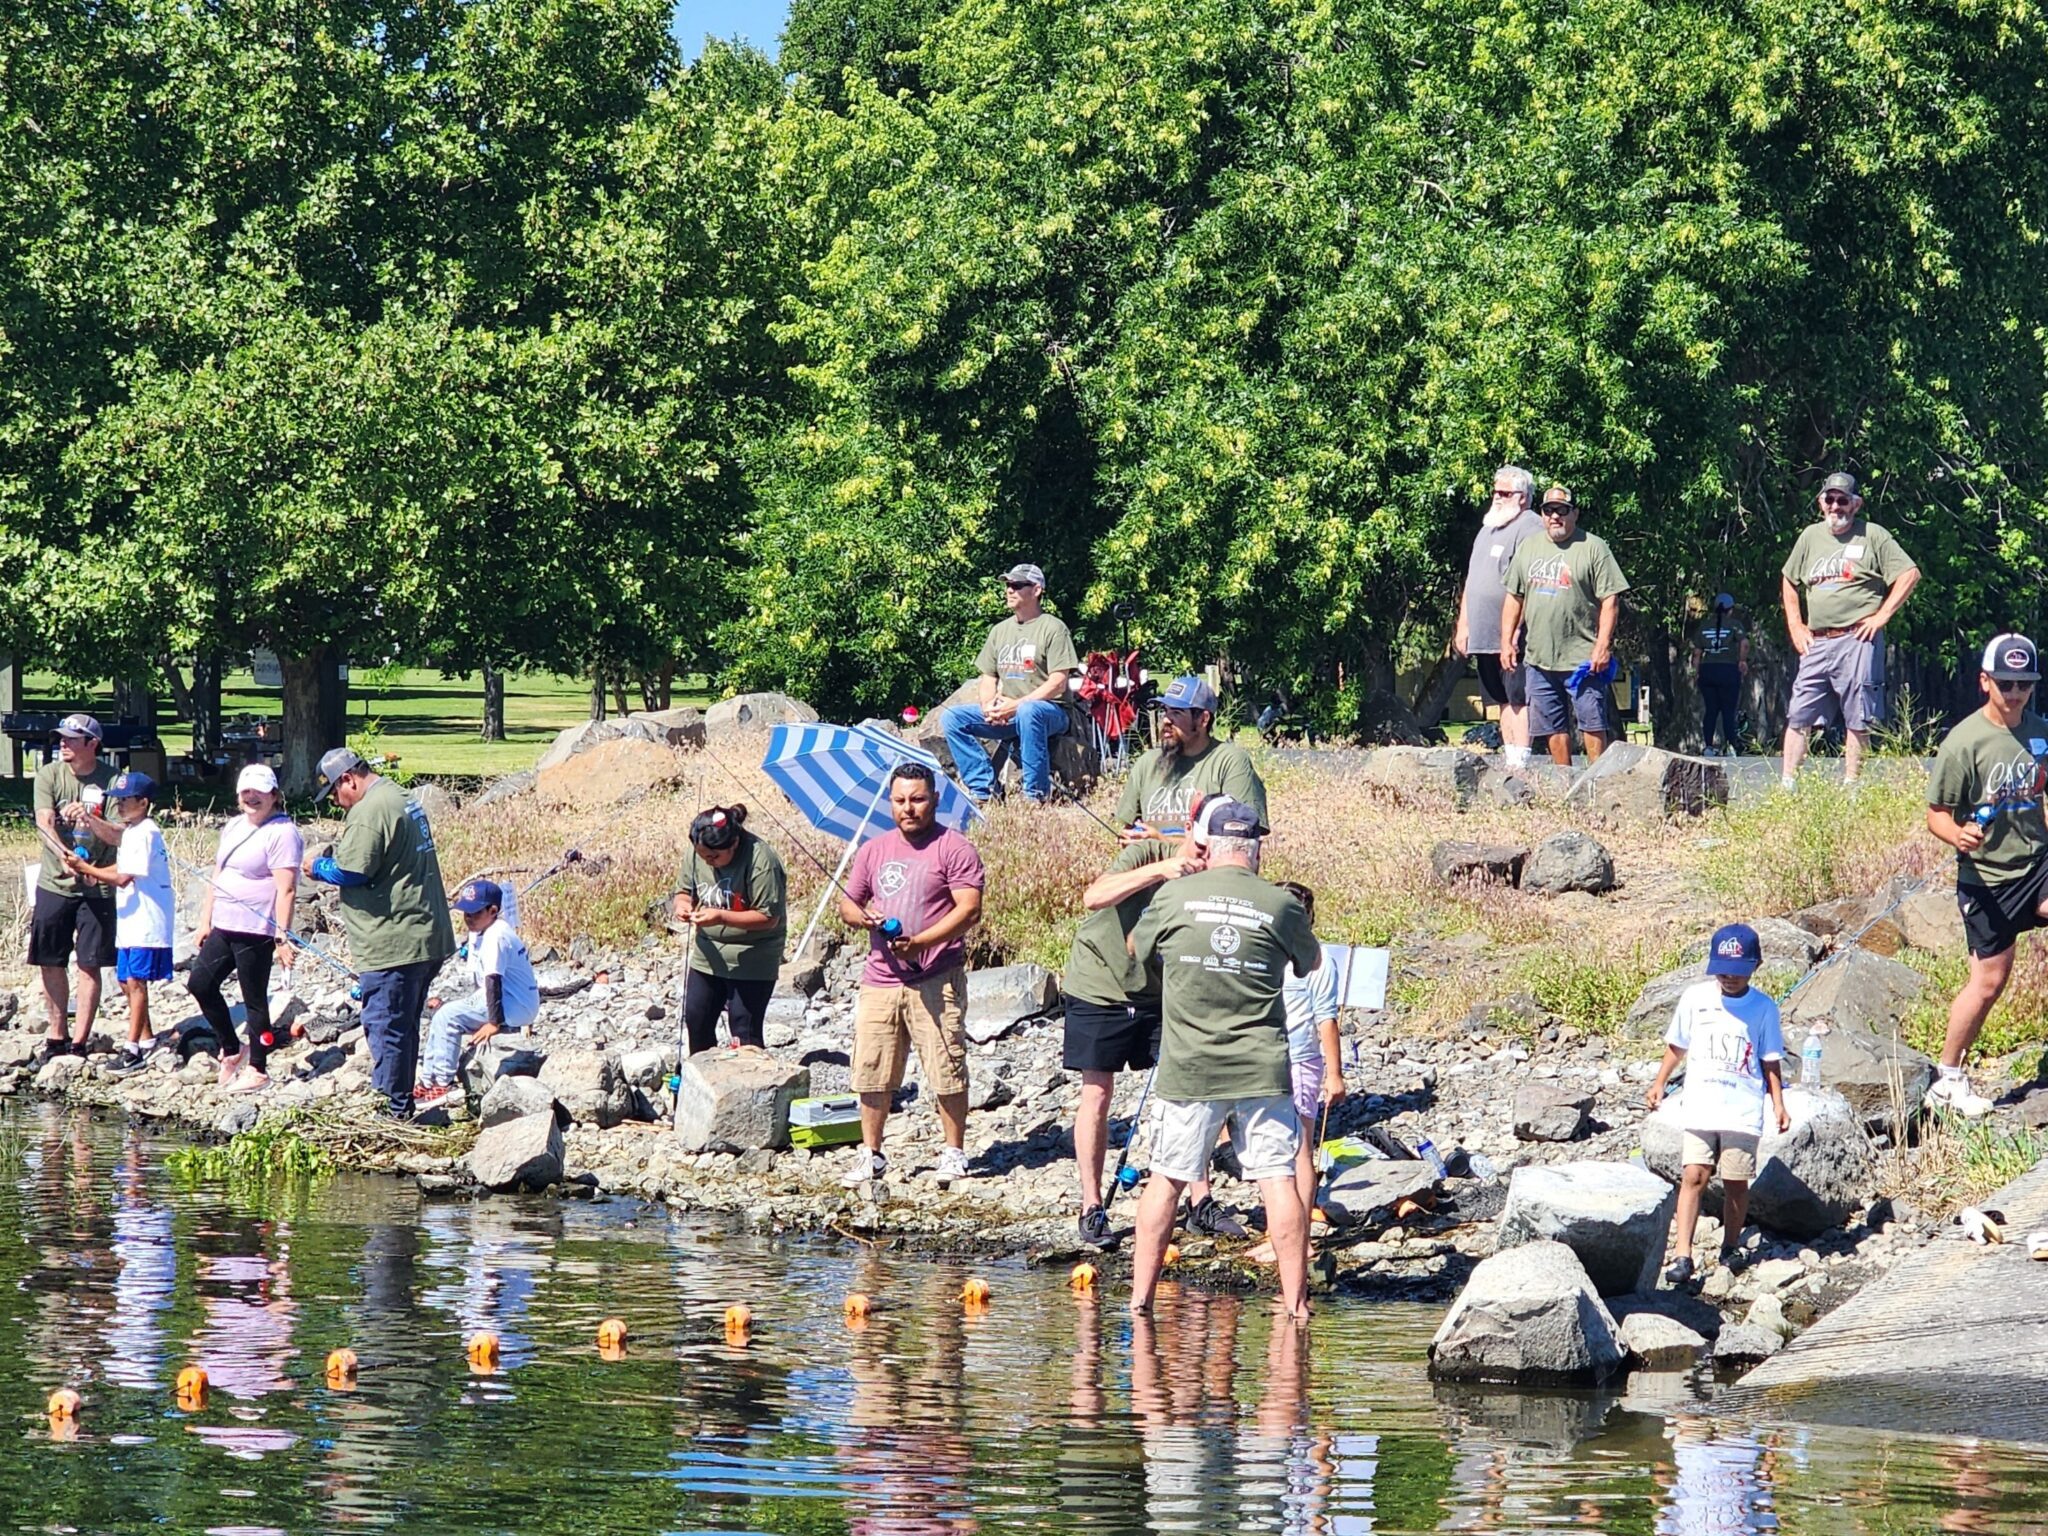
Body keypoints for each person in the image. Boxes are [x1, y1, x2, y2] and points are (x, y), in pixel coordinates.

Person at [1127, 798, 1320, 1320]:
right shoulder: (1282, 905)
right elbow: (1311, 962)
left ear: (1206, 845)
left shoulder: (1172, 895)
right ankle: (1295, 1304)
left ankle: (1140, 1300)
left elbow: (1135, 948)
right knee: (1278, 1180)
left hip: (1190, 1067)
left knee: (1166, 1178)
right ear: (1255, 848)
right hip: (1261, 1065)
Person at [1063, 835, 1232, 1250]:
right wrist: (1160, 871)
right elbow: (1095, 895)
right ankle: (1091, 1205)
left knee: (1189, 1088)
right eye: (1200, 851)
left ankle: (1200, 1199)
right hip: (1098, 984)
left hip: (1161, 992)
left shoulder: (1221, 875)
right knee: (1097, 1092)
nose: (1204, 861)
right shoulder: (1148, 853)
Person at [838, 762, 986, 1187]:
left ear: (935, 800)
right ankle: (872, 1154)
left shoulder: (954, 848)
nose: (909, 808)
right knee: (872, 1068)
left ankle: (954, 1152)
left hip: (936, 976)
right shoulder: (873, 849)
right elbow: (849, 904)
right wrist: (863, 916)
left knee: (947, 1066)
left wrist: (921, 943)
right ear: (890, 802)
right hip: (880, 979)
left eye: (918, 799)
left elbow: (969, 910)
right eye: (901, 800)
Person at [1923, 634, 2048, 1117]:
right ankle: (1947, 1078)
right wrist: (1958, 837)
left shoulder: (2040, 733)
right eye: (2005, 682)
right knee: (1989, 982)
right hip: (1986, 879)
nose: (2015, 692)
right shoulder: (1963, 742)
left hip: (2037, 862)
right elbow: (1936, 814)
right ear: (1985, 682)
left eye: (2024, 683)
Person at [303, 747, 455, 1119]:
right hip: (425, 936)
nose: (337, 804)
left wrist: (317, 866)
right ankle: (399, 1103)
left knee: (386, 1027)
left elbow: (353, 871)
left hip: (395, 942)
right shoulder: (399, 796)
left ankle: (392, 1110)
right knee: (403, 1026)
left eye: (335, 796)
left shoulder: (370, 811)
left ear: (348, 780)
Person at [1644, 923, 1789, 1285]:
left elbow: (1771, 1061)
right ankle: (1682, 1255)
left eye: (1738, 972)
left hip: (1741, 1108)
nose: (1729, 978)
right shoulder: (1695, 999)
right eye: (1722, 971)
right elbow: (1677, 1045)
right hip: (1701, 1103)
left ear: (1755, 967)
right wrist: (1660, 1082)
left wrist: (1779, 1104)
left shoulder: (1764, 1008)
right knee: (1693, 1174)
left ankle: (1730, 1246)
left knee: (1735, 1179)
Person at [1779, 471, 1919, 788]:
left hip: (1858, 638)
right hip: (1816, 641)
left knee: (1858, 715)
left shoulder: (1873, 535)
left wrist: (1881, 616)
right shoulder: (1810, 537)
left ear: (1856, 504)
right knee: (1799, 712)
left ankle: (1852, 785)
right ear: (1821, 503)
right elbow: (1789, 580)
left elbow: (1909, 573)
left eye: (1843, 500)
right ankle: (1788, 784)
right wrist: (1795, 625)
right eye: (1830, 499)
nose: (1836, 506)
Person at [1244, 882, 1345, 1268]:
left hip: (1301, 1061)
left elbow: (1327, 1019)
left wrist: (1333, 1074)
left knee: (1300, 1147)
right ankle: (1281, 1233)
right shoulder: (1265, 952)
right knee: (1271, 1149)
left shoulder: (1317, 960)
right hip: (1264, 1058)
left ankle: (1299, 1239)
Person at [189, 764, 303, 1094]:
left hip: (256, 929)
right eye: (246, 792)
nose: (251, 797)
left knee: (254, 998)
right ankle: (232, 1048)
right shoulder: (234, 826)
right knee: (200, 983)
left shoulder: (283, 833)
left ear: (274, 796)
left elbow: (287, 889)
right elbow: (218, 873)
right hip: (225, 923)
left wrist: (282, 936)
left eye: (259, 792)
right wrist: (205, 920)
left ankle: (259, 1067)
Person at [1500, 486, 1631, 767]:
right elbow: (1514, 597)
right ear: (1542, 514)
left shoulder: (1594, 547)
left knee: (1592, 721)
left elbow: (1610, 600)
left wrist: (1602, 647)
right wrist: (1506, 641)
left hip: (1582, 659)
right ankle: (1566, 781)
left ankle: (1596, 781)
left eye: (1562, 510)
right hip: (1538, 659)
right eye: (1549, 510)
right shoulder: (1529, 547)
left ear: (1575, 513)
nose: (1555, 516)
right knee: (1551, 727)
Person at [61, 771, 172, 1076]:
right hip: (131, 920)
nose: (120, 806)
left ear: (144, 802)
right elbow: (124, 866)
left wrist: (86, 868)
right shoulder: (133, 831)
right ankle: (147, 1039)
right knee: (126, 980)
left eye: (125, 801)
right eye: (117, 801)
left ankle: (132, 1050)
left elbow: (124, 878)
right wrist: (91, 871)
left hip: (147, 920)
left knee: (136, 982)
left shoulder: (147, 831)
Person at [941, 562, 1080, 803]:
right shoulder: (999, 631)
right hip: (1010, 712)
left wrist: (1015, 705)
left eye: (1016, 585)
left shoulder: (1054, 628)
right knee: (952, 718)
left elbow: (1058, 682)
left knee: (1029, 711)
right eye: (1007, 585)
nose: (1009, 590)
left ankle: (1035, 796)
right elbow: (988, 677)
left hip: (1050, 712)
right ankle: (984, 790)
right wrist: (989, 707)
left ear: (1036, 590)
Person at [28, 713, 116, 1064]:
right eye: (61, 738)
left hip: (98, 887)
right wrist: (64, 855)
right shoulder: (49, 774)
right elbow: (43, 821)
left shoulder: (113, 780)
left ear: (92, 744)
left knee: (89, 964)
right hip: (55, 882)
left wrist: (92, 820)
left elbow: (122, 834)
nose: (63, 743)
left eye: (72, 738)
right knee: (49, 959)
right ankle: (56, 1034)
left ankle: (79, 1042)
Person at [672, 804, 788, 1053]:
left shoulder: (761, 860)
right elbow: (684, 891)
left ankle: (750, 1084)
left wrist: (721, 917)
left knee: (743, 1028)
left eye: (714, 857)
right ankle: (703, 1080)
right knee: (696, 1017)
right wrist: (682, 905)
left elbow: (769, 917)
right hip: (709, 952)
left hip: (752, 955)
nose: (708, 862)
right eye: (703, 857)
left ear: (734, 843)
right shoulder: (698, 851)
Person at [417, 880, 539, 1107]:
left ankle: (443, 1085)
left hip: (516, 1003)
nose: (468, 918)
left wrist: (494, 1023)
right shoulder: (483, 930)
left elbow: (493, 980)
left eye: (474, 913)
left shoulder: (496, 936)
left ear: (493, 911)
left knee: (448, 1017)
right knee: (443, 1013)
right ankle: (428, 1081)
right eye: (465, 913)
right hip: (506, 997)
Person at [1454, 465, 1545, 769]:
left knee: (1518, 697)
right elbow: (1472, 580)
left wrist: (1515, 630)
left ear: (1522, 497)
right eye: (1495, 491)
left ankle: (1521, 763)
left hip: (1511, 636)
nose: (1497, 497)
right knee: (1500, 698)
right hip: (1483, 634)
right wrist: (1463, 624)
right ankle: (1510, 760)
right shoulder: (1487, 528)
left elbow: (1529, 583)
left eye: (1504, 493)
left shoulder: (1530, 526)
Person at [1114, 675, 1267, 839]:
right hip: (1151, 864)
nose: (1166, 719)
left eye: (1177, 713)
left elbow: (1239, 841)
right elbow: (1126, 829)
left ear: (1203, 719)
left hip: (1207, 865)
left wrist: (1162, 841)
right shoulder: (1147, 764)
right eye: (1165, 711)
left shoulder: (1230, 761)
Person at [1691, 594, 1748, 756]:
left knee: (1711, 710)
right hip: (1728, 670)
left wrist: (1695, 672)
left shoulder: (1704, 626)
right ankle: (1730, 746)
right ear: (1730, 610)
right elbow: (1744, 643)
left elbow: (1696, 653)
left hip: (1707, 670)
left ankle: (1708, 746)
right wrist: (1742, 661)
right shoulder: (1735, 625)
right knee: (1728, 710)